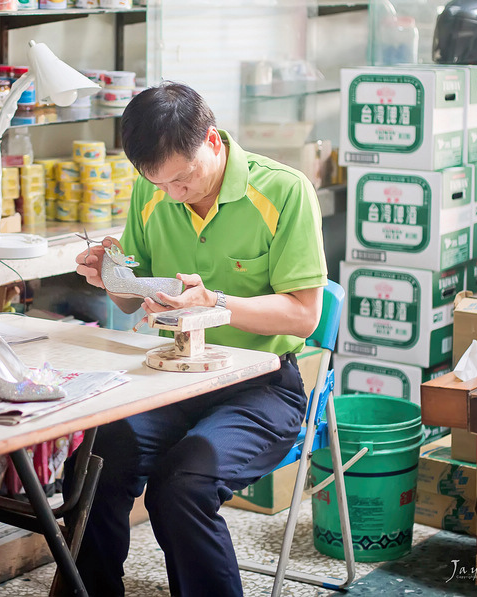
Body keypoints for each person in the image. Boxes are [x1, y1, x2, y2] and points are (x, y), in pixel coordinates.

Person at [70, 82, 327, 596]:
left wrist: (218, 304)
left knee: (181, 485)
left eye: (182, 180)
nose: (172, 194)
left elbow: (303, 317)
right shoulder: (154, 188)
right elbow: (132, 299)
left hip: (262, 387)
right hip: (170, 377)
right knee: (95, 463)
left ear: (213, 140)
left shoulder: (283, 191)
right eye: (157, 182)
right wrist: (111, 277)